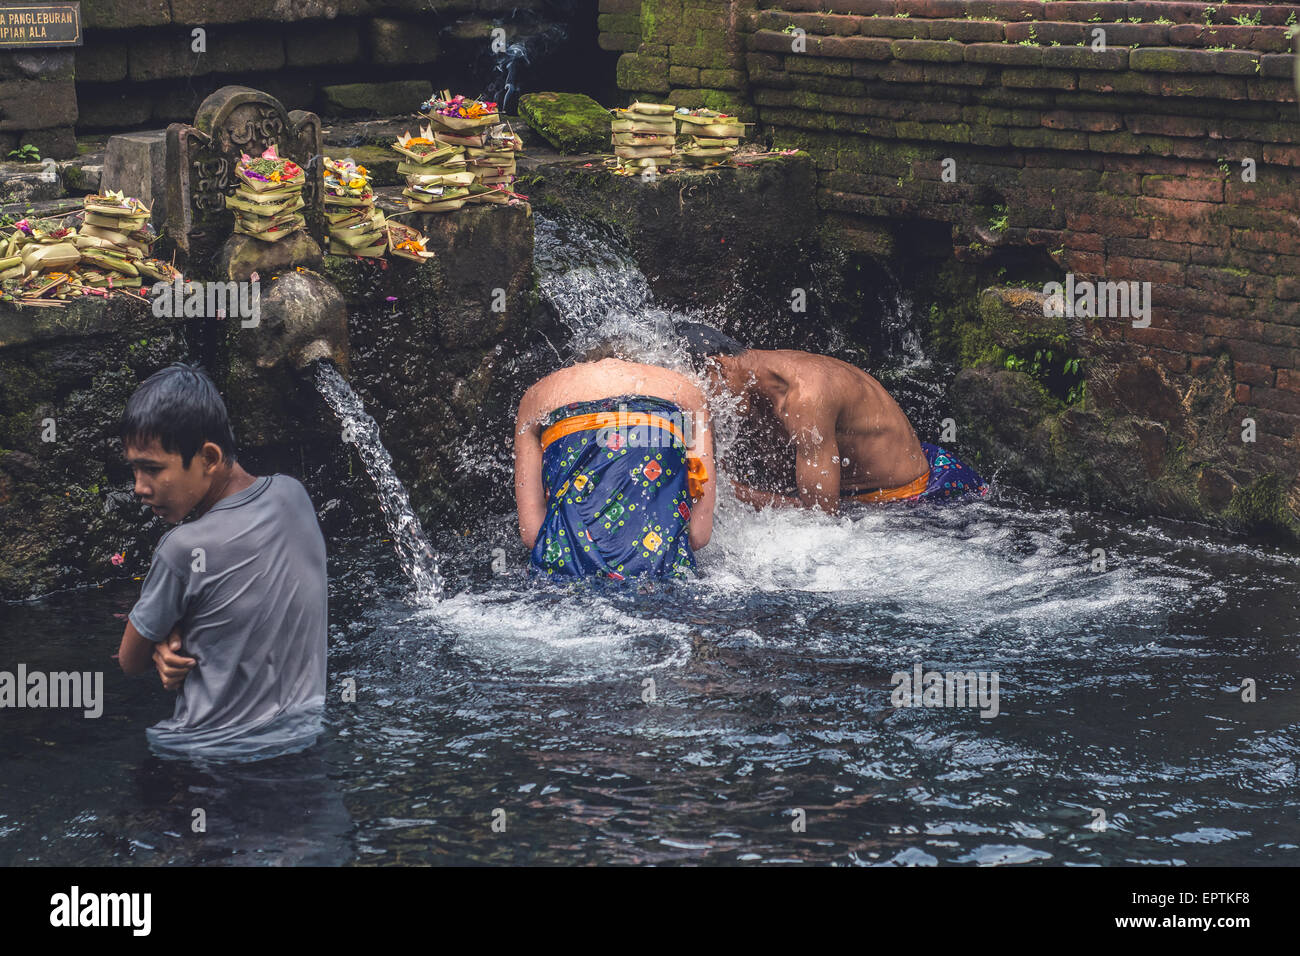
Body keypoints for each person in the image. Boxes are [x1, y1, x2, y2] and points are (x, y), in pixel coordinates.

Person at [115, 362, 328, 761]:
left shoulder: (181, 547)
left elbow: (129, 661)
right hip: (303, 743)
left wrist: (161, 642)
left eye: (152, 469)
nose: (139, 488)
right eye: (134, 469)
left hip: (204, 758)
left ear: (209, 457)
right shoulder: (294, 497)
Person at [677, 322, 989, 513]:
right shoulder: (758, 383)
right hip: (861, 492)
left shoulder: (805, 396)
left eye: (704, 392)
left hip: (910, 500)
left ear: (716, 368)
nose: (710, 405)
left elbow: (820, 519)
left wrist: (734, 494)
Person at [513, 341, 716, 580]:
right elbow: (699, 534)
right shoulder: (684, 389)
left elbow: (531, 532)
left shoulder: (539, 395)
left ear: (583, 362)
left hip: (568, 575)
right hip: (658, 576)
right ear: (642, 362)